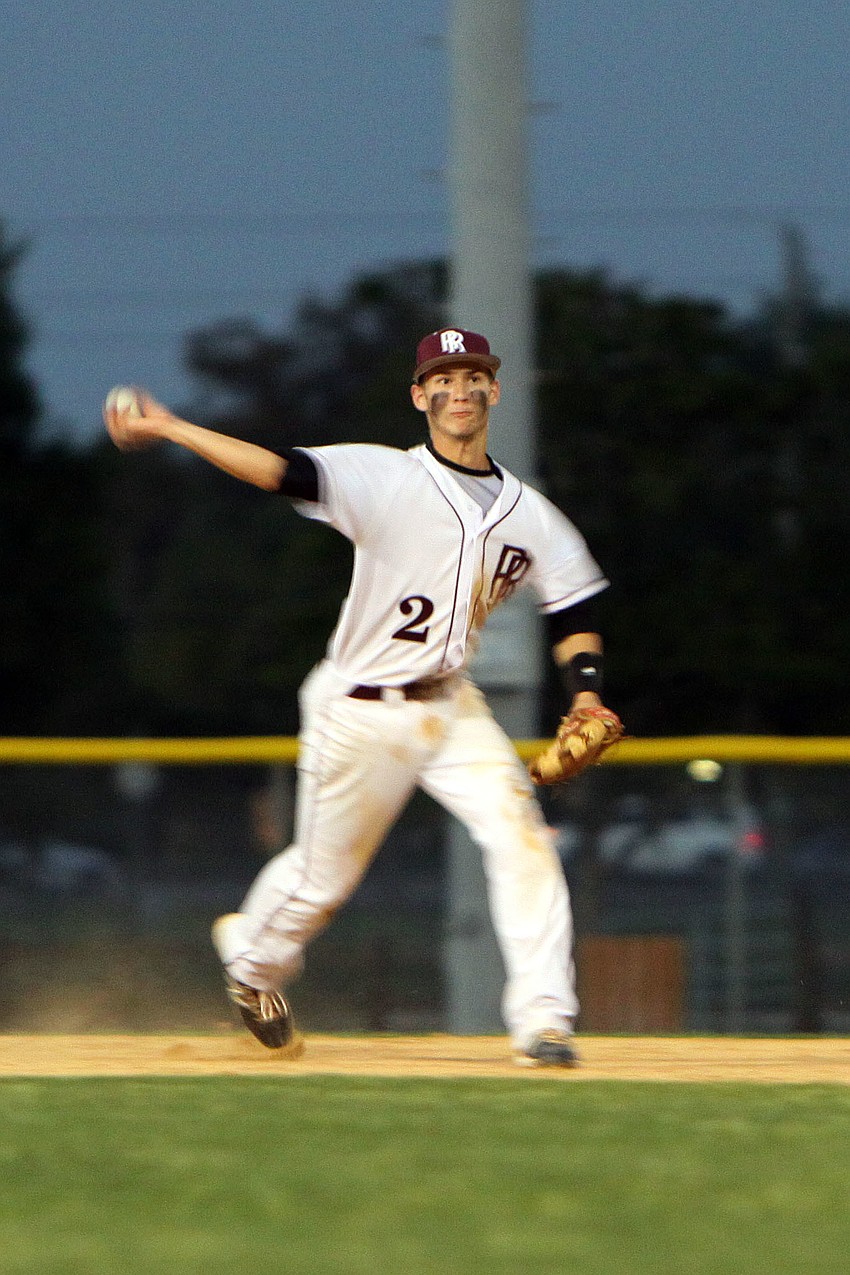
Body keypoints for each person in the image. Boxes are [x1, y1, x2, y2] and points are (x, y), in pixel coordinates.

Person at [103, 327, 617, 1067]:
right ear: (420, 396)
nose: (459, 389)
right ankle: (251, 963)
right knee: (322, 882)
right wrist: (175, 428)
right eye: (442, 378)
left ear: (494, 391)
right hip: (359, 707)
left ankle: (545, 1023)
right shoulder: (385, 477)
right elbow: (279, 471)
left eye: (473, 375)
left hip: (452, 707)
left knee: (525, 840)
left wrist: (588, 696)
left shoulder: (531, 514)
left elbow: (574, 607)